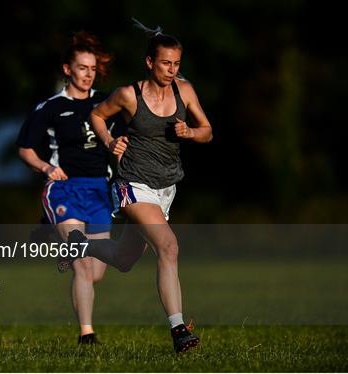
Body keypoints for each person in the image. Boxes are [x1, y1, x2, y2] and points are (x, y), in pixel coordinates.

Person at [61, 21, 213, 353]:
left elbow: (208, 132)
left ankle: (79, 245)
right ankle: (178, 330)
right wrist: (109, 141)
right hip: (133, 185)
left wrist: (190, 132)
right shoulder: (129, 95)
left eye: (176, 64)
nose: (172, 70)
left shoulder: (184, 91)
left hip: (165, 188)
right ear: (149, 62)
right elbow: (98, 115)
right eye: (165, 63)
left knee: (123, 258)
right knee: (168, 247)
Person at [17, 32, 124, 344]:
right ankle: (86, 334)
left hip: (99, 193)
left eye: (92, 68)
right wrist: (46, 167)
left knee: (97, 273)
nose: (88, 74)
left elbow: (131, 120)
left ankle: (53, 236)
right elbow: (25, 149)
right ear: (67, 69)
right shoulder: (50, 108)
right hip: (64, 190)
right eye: (82, 68)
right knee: (79, 260)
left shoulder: (105, 103)